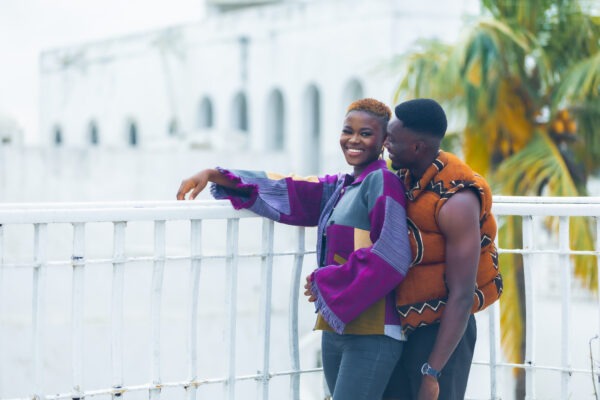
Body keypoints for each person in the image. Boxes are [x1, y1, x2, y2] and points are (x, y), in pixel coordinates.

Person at [176, 98, 412, 400]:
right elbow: (289, 187)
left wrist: (328, 281)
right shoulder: (341, 187)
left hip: (373, 330)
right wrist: (213, 174)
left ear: (383, 141)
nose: (353, 140)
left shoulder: (383, 181)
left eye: (365, 133)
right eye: (347, 131)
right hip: (336, 327)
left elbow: (392, 255)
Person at [382, 98, 503, 400]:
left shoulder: (457, 201)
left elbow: (462, 295)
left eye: (392, 139)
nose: (386, 144)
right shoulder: (406, 177)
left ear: (417, 147)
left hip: (441, 336)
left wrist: (432, 372)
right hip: (405, 326)